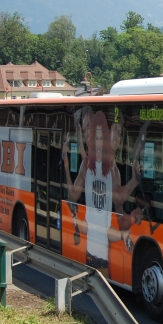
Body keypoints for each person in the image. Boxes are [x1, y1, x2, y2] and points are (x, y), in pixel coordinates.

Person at [63, 109, 139, 277]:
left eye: (100, 138)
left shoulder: (111, 170)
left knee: (102, 287)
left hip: (104, 256)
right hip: (89, 252)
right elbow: (74, 197)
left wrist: (122, 235)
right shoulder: (85, 166)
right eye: (95, 138)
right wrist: (67, 166)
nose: (98, 142)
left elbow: (114, 208)